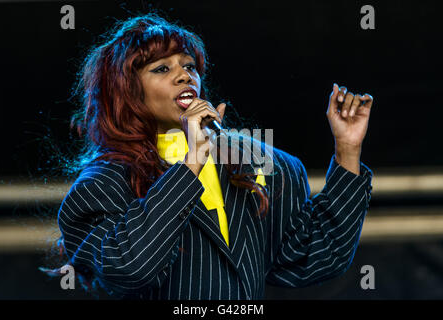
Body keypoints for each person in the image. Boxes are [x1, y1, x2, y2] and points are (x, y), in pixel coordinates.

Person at [54, 12, 374, 300]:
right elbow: (130, 268)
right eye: (162, 68)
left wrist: (347, 149)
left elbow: (314, 256)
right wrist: (192, 161)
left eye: (189, 65)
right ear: (126, 90)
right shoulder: (103, 182)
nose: (184, 76)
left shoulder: (248, 157)